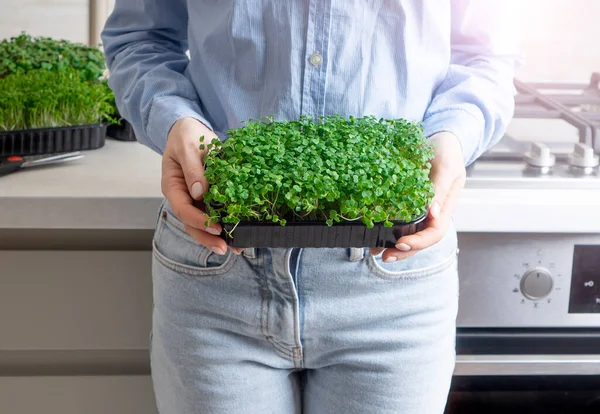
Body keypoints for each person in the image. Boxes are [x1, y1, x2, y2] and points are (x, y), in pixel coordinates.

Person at [101, 1, 519, 413]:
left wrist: (454, 132)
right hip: (215, 267)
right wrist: (174, 120)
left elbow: (485, 55)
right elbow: (140, 38)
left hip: (393, 283)